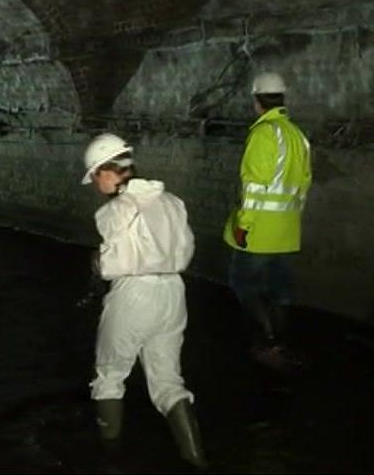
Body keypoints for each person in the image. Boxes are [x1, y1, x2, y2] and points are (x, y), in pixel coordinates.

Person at [82, 133, 207, 470]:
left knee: (109, 376)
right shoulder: (172, 201)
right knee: (168, 382)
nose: (95, 184)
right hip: (173, 293)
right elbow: (185, 249)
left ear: (108, 171)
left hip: (134, 296)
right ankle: (197, 463)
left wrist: (97, 262)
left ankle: (110, 461)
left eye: (94, 176)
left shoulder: (113, 211)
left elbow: (112, 266)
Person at [223, 72, 312, 372]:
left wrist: (243, 225)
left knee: (242, 283)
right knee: (279, 291)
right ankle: (280, 343)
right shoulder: (298, 136)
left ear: (257, 100)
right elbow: (304, 185)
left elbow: (254, 186)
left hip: (259, 230)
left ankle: (269, 342)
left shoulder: (264, 133)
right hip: (287, 229)